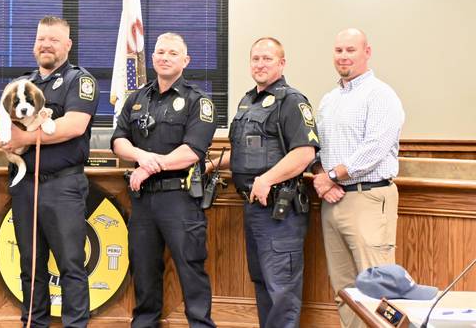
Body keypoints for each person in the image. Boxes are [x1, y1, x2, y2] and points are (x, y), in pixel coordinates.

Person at [0, 16, 99, 328]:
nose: (45, 45)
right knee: (29, 265)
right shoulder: (23, 84)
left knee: (71, 265)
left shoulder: (80, 81)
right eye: (41, 39)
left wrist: (23, 137)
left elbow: (74, 126)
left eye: (53, 40)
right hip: (25, 185)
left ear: (67, 45)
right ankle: (34, 323)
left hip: (62, 186)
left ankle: (75, 325)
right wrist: (1, 114)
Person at [111, 32, 217, 328]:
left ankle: (200, 324)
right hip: (143, 201)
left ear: (185, 60)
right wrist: (142, 159)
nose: (165, 57)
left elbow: (192, 151)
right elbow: (118, 140)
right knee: (143, 270)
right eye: (160, 52)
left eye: (172, 53)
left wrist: (148, 167)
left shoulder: (199, 101)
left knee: (190, 269)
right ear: (153, 58)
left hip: (179, 198)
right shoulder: (136, 98)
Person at [211, 37, 318, 328]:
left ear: (282, 63)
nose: (260, 64)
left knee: (282, 290)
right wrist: (211, 165)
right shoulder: (248, 101)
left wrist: (267, 179)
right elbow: (245, 154)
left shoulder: (292, 100)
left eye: (267, 59)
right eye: (255, 58)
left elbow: (305, 152)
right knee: (262, 283)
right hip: (253, 208)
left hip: (280, 212)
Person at [312, 28, 404, 328]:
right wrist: (323, 180)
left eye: (350, 50)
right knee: (346, 292)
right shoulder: (329, 99)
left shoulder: (381, 95)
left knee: (379, 291)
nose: (343, 56)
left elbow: (374, 149)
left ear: (367, 52)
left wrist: (332, 176)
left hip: (368, 197)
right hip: (333, 201)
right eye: (338, 50)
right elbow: (318, 148)